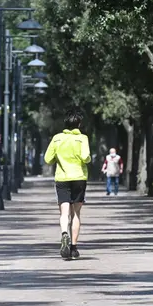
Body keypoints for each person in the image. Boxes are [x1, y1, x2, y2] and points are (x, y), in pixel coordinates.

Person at [44, 110, 91, 260]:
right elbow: (86, 157)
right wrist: (86, 159)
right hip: (79, 177)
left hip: (62, 178)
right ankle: (74, 248)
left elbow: (47, 159)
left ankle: (64, 233)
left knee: (64, 213)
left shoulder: (57, 138)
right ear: (79, 124)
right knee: (76, 214)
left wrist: (59, 159)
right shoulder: (83, 138)